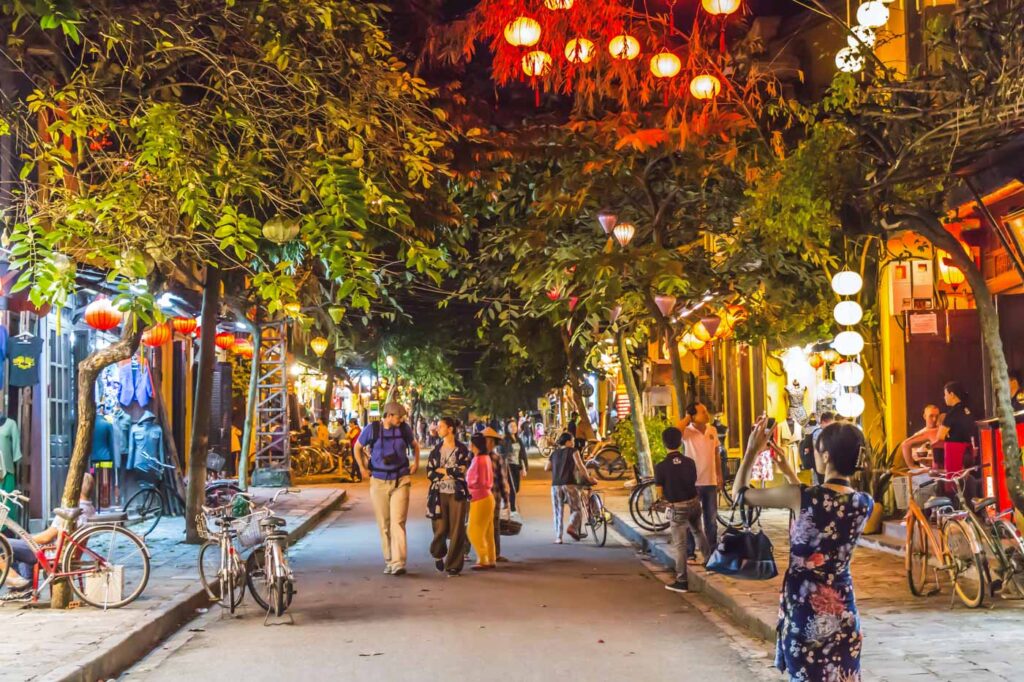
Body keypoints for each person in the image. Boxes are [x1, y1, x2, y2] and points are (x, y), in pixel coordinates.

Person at [734, 417, 874, 682]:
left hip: (805, 611)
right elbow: (824, 511)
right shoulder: (864, 502)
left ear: (826, 455)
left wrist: (752, 451)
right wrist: (790, 473)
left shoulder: (800, 496)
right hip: (843, 611)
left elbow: (740, 494)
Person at [1, 473, 97, 600]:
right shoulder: (90, 509)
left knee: (5, 543)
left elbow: (45, 538)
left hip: (51, 553)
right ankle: (26, 589)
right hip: (68, 553)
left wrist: (27, 538)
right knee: (19, 546)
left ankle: (16, 581)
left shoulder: (72, 508)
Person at [354, 402, 420, 576]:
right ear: (389, 415)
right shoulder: (372, 429)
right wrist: (362, 467)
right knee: (384, 523)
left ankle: (399, 562)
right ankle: (389, 560)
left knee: (397, 522)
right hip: (378, 481)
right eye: (399, 417)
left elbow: (415, 445)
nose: (401, 420)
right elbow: (357, 447)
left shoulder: (404, 429)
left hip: (401, 479)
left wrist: (416, 463)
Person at [654, 427, 710, 593]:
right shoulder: (689, 462)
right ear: (680, 442)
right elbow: (693, 480)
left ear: (664, 443)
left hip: (677, 507)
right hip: (694, 502)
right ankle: (710, 561)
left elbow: (660, 492)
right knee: (699, 531)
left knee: (680, 545)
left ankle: (682, 580)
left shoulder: (661, 467)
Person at [427, 417, 471, 577]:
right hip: (438, 495)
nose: (437, 429)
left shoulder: (462, 450)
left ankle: (453, 565)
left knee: (458, 529)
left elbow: (462, 470)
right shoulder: (436, 451)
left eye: (441, 426)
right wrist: (451, 472)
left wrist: (444, 471)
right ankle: (438, 553)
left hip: (457, 494)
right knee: (440, 528)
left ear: (450, 429)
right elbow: (430, 473)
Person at [679, 402, 722, 561]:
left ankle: (711, 552)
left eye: (705, 411)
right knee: (691, 520)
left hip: (710, 481)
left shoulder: (712, 430)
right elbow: (675, 430)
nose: (706, 414)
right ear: (693, 415)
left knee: (711, 520)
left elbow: (716, 453)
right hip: (693, 482)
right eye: (702, 412)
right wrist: (688, 417)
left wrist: (719, 475)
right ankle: (690, 552)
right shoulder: (687, 432)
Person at [544, 432, 592, 542]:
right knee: (576, 509)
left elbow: (546, 468)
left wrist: (557, 466)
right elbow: (580, 466)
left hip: (555, 485)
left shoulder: (554, 453)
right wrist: (588, 478)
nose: (574, 443)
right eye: (573, 441)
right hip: (569, 483)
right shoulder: (573, 451)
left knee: (557, 511)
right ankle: (571, 525)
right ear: (568, 442)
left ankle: (558, 538)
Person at [466, 433, 496, 570]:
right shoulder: (486, 458)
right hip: (488, 496)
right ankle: (490, 558)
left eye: (470, 443)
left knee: (473, 530)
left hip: (479, 497)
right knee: (487, 531)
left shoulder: (478, 460)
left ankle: (483, 558)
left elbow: (473, 480)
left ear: (474, 445)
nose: (469, 445)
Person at [481, 427, 510, 562]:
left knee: (494, 525)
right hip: (478, 498)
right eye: (487, 441)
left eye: (492, 442)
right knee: (476, 524)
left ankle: (495, 553)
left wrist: (507, 500)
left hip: (494, 496)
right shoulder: (474, 457)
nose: (490, 444)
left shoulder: (496, 458)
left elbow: (503, 480)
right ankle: (469, 552)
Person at [938, 381, 976, 472]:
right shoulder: (967, 409)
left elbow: (940, 436)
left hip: (954, 450)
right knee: (965, 477)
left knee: (953, 478)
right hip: (968, 450)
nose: (944, 397)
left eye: (945, 394)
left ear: (952, 394)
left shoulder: (952, 413)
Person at [899, 405, 942, 470]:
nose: (934, 419)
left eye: (937, 416)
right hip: (924, 471)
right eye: (931, 416)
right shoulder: (919, 435)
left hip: (940, 470)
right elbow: (905, 445)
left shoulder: (943, 431)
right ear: (925, 416)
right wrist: (912, 467)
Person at [799, 412, 834, 485]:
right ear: (824, 422)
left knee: (819, 483)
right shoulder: (819, 433)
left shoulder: (820, 431)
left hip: (818, 464)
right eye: (830, 423)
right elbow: (818, 450)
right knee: (820, 483)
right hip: (819, 464)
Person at [503, 419, 529, 513]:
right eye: (511, 426)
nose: (513, 428)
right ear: (507, 428)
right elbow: (503, 453)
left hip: (516, 466)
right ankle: (512, 508)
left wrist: (524, 467)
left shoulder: (518, 439)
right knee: (513, 487)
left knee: (517, 487)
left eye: (515, 426)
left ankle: (506, 500)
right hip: (509, 466)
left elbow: (522, 454)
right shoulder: (505, 440)